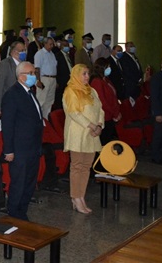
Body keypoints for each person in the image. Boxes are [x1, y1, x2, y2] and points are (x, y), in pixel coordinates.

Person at [1, 61, 44, 221]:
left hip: (33, 147)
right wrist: (8, 150)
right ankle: (14, 214)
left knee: (29, 183)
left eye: (34, 73)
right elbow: (7, 125)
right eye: (31, 73)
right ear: (21, 76)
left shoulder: (29, 93)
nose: (34, 76)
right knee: (19, 183)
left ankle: (22, 212)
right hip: (20, 149)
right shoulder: (12, 95)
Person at [63, 64, 104, 214]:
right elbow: (74, 113)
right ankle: (75, 197)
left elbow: (100, 109)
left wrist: (99, 125)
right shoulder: (70, 91)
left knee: (86, 167)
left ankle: (81, 195)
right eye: (84, 74)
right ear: (76, 75)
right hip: (78, 133)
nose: (87, 76)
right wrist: (92, 126)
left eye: (88, 73)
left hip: (92, 134)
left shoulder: (92, 91)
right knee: (77, 166)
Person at [90, 58, 121, 145]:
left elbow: (113, 96)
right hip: (105, 116)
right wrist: (114, 113)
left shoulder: (106, 79)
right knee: (104, 142)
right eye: (107, 67)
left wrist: (117, 111)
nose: (109, 69)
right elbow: (102, 102)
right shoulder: (96, 82)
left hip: (111, 115)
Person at [0, 40, 26, 115]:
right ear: (14, 52)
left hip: (21, 102)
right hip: (8, 103)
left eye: (25, 50)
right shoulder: (5, 64)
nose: (24, 52)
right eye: (22, 51)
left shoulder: (23, 64)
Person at [34, 37, 58, 116]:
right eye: (50, 44)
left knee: (49, 102)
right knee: (41, 100)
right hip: (44, 79)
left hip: (52, 79)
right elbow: (37, 68)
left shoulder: (52, 54)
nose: (52, 46)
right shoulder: (40, 54)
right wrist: (38, 81)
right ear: (45, 44)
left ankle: (46, 119)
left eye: (52, 44)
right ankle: (38, 118)